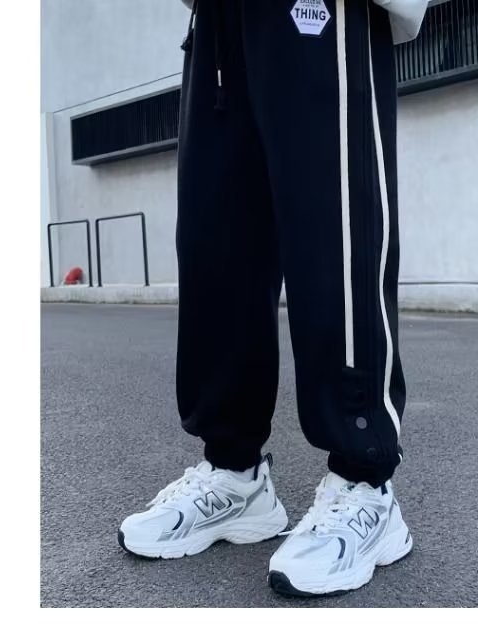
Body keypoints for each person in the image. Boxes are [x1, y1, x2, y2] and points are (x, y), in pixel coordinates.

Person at [118, 0, 428, 597]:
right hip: (218, 13)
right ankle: (235, 476)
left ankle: (366, 483)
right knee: (216, 242)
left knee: (332, 233)